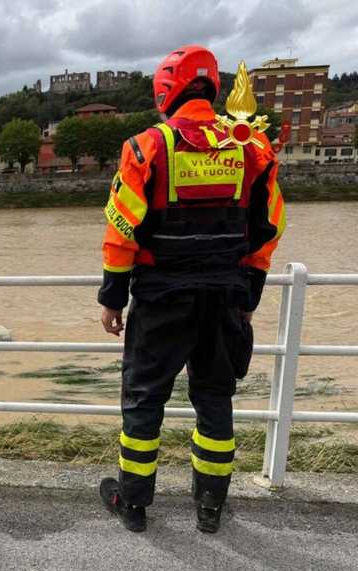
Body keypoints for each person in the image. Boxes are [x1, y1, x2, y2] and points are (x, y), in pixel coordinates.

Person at [96, 45, 286, 533]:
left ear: (166, 89)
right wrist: (248, 297)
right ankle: (210, 507)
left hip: (162, 298)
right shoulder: (251, 147)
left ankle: (133, 503)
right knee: (215, 400)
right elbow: (268, 229)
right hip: (225, 296)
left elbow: (122, 229)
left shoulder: (146, 146)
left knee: (143, 402)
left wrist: (112, 298)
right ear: (212, 88)